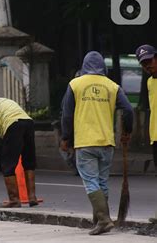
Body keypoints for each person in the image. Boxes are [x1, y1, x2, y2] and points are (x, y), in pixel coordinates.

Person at [60, 51, 133, 235]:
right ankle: (100, 219)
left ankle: (103, 219)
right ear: (103, 66)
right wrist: (127, 131)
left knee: (91, 181)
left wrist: (66, 138)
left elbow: (67, 114)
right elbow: (128, 110)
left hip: (85, 142)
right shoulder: (112, 86)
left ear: (84, 66)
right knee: (101, 181)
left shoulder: (75, 84)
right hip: (107, 142)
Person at [135, 44, 157, 224]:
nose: (148, 65)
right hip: (155, 136)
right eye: (144, 64)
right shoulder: (150, 82)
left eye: (150, 61)